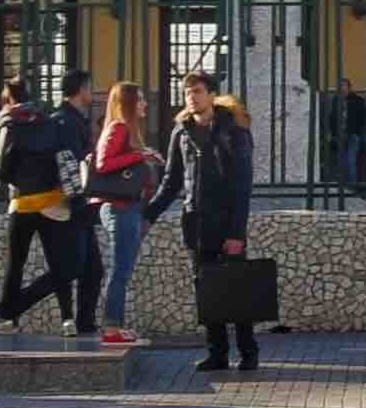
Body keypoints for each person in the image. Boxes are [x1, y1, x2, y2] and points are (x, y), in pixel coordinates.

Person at [181, 88, 268, 373]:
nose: (191, 98)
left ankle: (248, 352)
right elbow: (173, 179)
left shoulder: (234, 134)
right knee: (207, 292)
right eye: (186, 93)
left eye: (197, 92)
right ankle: (216, 353)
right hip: (197, 225)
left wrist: (236, 234)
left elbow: (242, 188)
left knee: (237, 288)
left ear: (211, 96)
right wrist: (148, 214)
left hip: (226, 224)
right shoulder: (183, 133)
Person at [0, 87, 76, 334]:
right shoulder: (50, 122)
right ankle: (67, 319)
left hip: (23, 203)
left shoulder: (8, 125)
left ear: (8, 100)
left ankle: (8, 319)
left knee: (16, 263)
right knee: (58, 262)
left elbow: (1, 171)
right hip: (53, 202)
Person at [84, 82, 165, 331]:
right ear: (127, 103)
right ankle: (111, 327)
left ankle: (115, 326)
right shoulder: (118, 127)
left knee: (123, 270)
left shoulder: (126, 131)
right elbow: (104, 163)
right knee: (120, 270)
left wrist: (144, 154)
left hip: (127, 208)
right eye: (139, 99)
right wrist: (140, 155)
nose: (144, 104)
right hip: (119, 208)